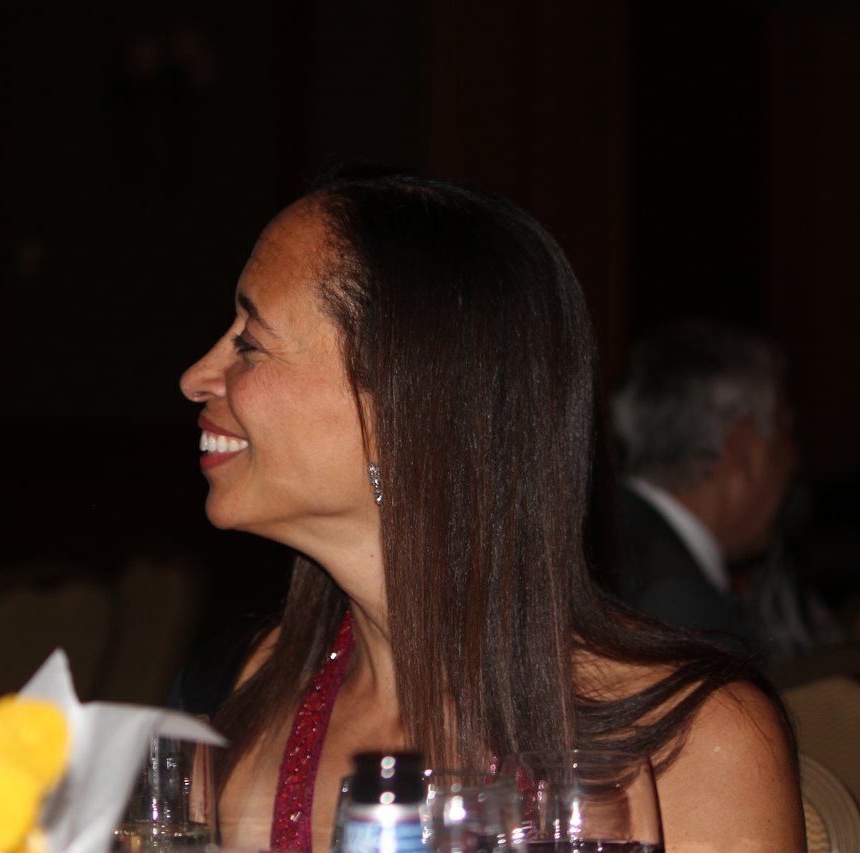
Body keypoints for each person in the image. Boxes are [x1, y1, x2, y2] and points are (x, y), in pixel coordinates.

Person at [176, 168, 803, 852]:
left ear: (403, 407)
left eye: (250, 342)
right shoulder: (252, 697)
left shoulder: (695, 743)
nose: (196, 376)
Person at [610, 319, 841, 661]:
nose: (793, 461)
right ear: (742, 446)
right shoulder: (683, 609)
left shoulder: (605, 533)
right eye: (786, 432)